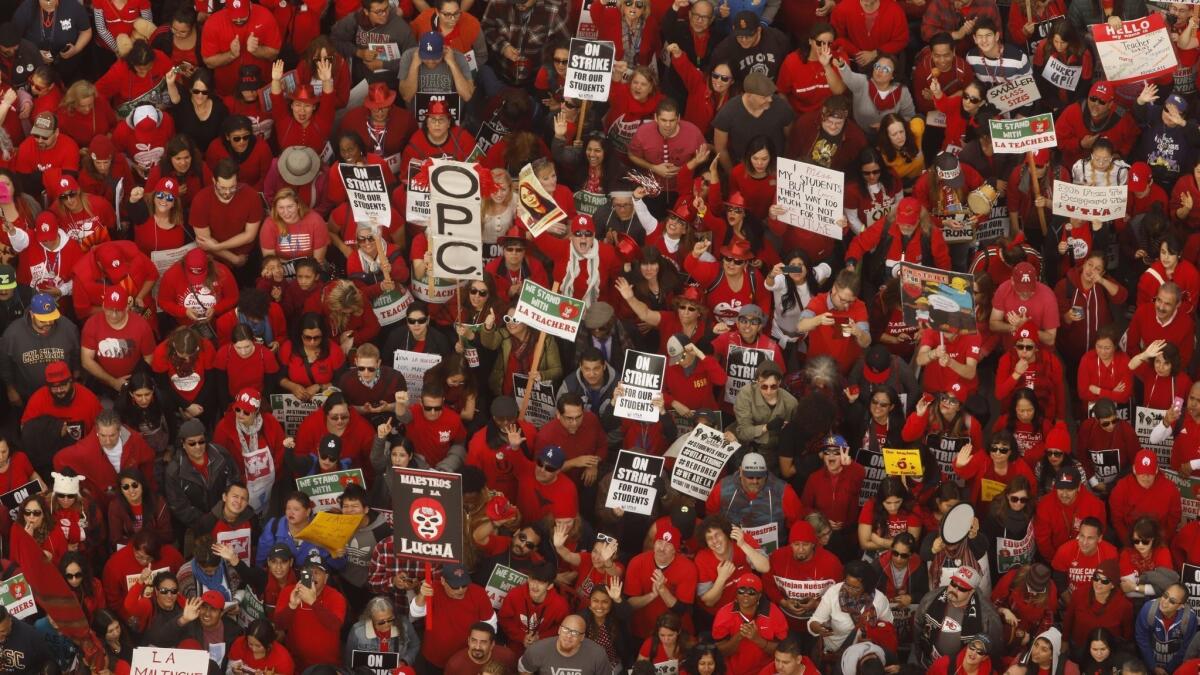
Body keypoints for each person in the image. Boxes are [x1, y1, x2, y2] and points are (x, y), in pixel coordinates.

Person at [410, 562, 498, 672]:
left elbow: (490, 624)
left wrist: (480, 649)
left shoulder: (478, 592)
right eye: (455, 586)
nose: (461, 590)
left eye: (464, 585)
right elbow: (415, 613)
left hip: (465, 659)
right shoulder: (433, 589)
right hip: (434, 658)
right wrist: (422, 594)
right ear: (443, 581)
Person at [913, 566, 1005, 667]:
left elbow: (994, 648)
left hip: (962, 669)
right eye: (953, 583)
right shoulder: (932, 598)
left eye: (961, 588)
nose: (954, 590)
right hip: (929, 663)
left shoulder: (987, 615)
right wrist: (920, 657)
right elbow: (918, 627)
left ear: (972, 591)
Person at [274, 550, 348, 670]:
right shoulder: (289, 591)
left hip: (326, 667)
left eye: (317, 572)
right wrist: (292, 605)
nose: (312, 576)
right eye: (308, 572)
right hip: (296, 665)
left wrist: (313, 602)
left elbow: (335, 625)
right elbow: (279, 624)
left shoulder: (336, 597)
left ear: (326, 577)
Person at [713, 572, 788, 673]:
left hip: (765, 671)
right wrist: (739, 636)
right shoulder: (724, 613)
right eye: (741, 590)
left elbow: (784, 651)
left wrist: (757, 639)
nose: (745, 595)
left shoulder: (774, 613)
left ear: (759, 595)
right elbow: (720, 652)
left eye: (751, 592)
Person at [517, 614, 612, 675]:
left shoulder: (597, 654)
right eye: (565, 630)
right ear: (559, 630)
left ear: (582, 637)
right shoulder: (537, 650)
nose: (568, 636)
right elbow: (524, 670)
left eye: (575, 633)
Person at [343, 596, 420, 669]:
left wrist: (405, 661)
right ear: (371, 619)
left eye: (390, 619)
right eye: (381, 622)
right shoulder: (357, 631)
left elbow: (415, 645)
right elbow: (350, 659)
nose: (387, 625)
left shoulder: (404, 624)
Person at [1135, 583, 1197, 674]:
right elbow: (1142, 638)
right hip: (1150, 664)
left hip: (1175, 668)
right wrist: (1153, 666)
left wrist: (1168, 669)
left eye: (1172, 601)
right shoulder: (1148, 608)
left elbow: (1187, 648)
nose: (1165, 602)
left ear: (1180, 606)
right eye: (1165, 595)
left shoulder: (1189, 618)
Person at [445, 622, 519, 675]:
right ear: (468, 641)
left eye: (483, 642)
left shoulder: (507, 656)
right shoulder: (455, 665)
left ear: (492, 644)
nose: (477, 647)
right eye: (474, 641)